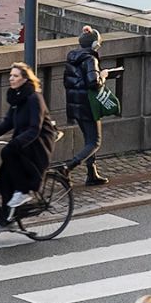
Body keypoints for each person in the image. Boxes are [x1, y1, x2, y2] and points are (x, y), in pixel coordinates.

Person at [0, 62, 55, 232]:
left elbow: (35, 128)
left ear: (25, 79)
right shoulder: (17, 98)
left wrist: (16, 142)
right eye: (10, 75)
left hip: (38, 144)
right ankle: (7, 220)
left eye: (15, 76)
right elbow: (7, 124)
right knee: (5, 181)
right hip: (24, 143)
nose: (11, 79)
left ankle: (23, 191)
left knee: (8, 153)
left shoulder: (35, 98)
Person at [63, 25, 109, 187]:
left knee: (88, 139)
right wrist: (103, 76)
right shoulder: (90, 59)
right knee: (95, 141)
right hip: (88, 105)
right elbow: (93, 83)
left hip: (75, 105)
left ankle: (92, 173)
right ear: (94, 45)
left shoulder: (72, 58)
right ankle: (68, 168)